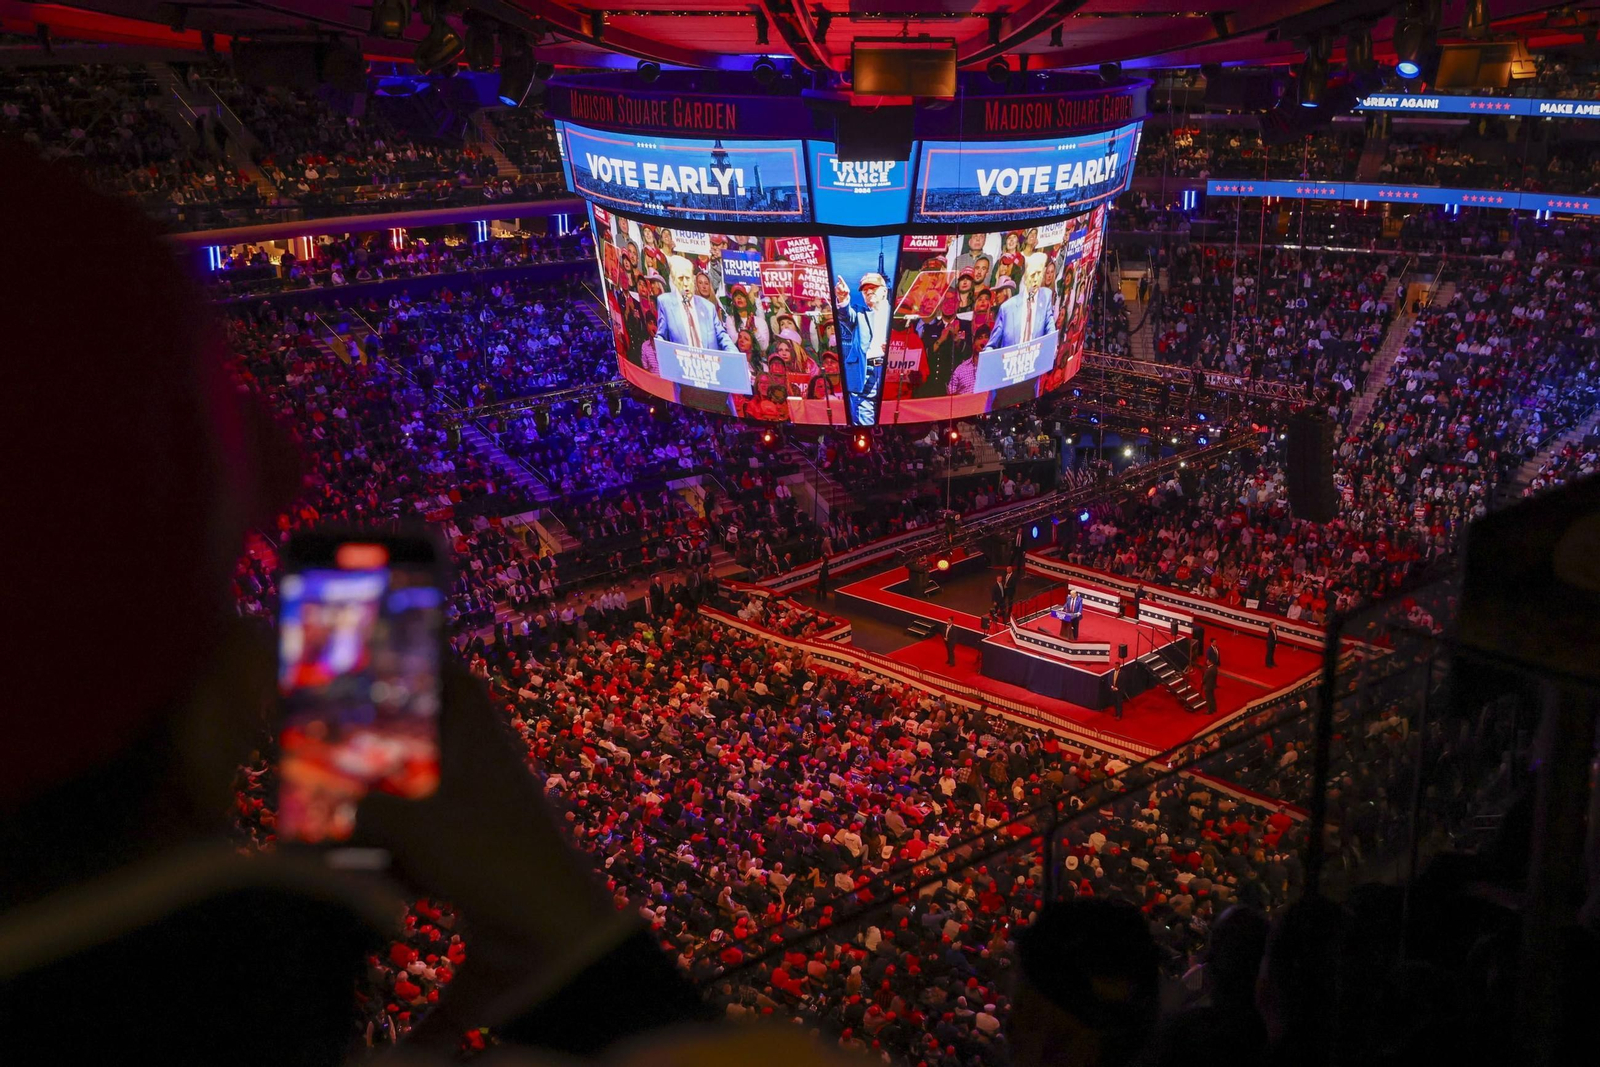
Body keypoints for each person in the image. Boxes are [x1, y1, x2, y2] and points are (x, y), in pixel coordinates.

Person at [834, 271, 890, 425]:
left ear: (884, 291)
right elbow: (845, 314)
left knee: (890, 417)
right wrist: (843, 298)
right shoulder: (859, 313)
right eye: (865, 290)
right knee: (864, 421)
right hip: (865, 372)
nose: (869, 291)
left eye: (873, 287)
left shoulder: (897, 314)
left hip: (890, 372)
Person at [655, 254, 736, 352]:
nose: (685, 283)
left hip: (709, 364)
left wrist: (736, 357)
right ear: (674, 280)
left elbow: (722, 337)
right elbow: (661, 337)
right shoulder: (665, 302)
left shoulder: (708, 307)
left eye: (688, 278)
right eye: (681, 278)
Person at [983, 252, 1054, 352]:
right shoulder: (1007, 308)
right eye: (1033, 275)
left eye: (1039, 274)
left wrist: (1052, 347)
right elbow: (991, 345)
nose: (1036, 280)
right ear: (1025, 277)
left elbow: (1051, 330)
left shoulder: (1046, 297)